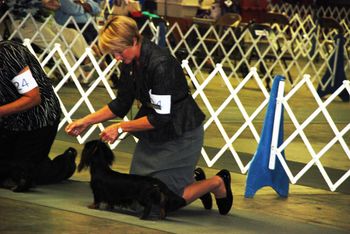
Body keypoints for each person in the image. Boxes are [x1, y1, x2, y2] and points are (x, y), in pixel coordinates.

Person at [65, 16, 233, 215]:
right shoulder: (129, 62)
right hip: (153, 133)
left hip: (181, 133)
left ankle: (217, 182)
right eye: (113, 53)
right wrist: (86, 121)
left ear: (134, 41)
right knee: (138, 198)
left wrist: (121, 127)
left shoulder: (161, 64)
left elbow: (161, 117)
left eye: (119, 51)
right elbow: (121, 104)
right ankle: (191, 179)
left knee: (161, 203)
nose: (117, 57)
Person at [0, 40, 77, 192]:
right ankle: (35, 158)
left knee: (24, 175)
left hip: (38, 118)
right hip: (8, 121)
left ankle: (65, 164)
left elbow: (33, 98)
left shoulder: (10, 54)